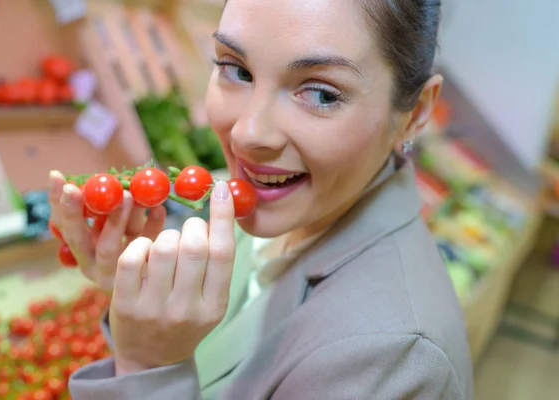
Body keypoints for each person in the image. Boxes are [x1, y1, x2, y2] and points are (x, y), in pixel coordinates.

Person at [49, 0, 473, 398]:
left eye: (322, 93)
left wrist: (146, 369)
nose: (246, 134)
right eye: (235, 69)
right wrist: (137, 301)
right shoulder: (278, 212)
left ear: (415, 114)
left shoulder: (394, 356)